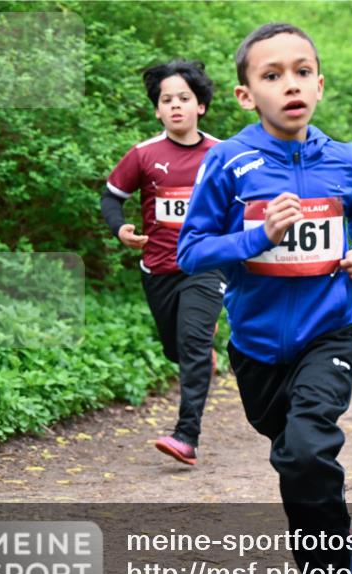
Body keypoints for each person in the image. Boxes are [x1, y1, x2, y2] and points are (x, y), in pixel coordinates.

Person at [177, 23, 352, 574]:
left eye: (301, 71)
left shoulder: (342, 158)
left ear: (319, 84)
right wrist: (254, 238)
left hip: (330, 335)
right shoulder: (229, 162)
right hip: (258, 351)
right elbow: (191, 251)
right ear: (246, 96)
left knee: (305, 452)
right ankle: (333, 548)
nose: (289, 83)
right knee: (297, 464)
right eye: (272, 75)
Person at [101, 59, 224, 467]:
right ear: (157, 110)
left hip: (205, 267)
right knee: (178, 349)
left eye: (184, 99)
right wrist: (119, 228)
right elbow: (111, 197)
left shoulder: (222, 154)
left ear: (200, 106)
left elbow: (246, 205)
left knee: (191, 346)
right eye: (166, 100)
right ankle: (201, 352)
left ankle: (187, 435)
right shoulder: (143, 155)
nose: (175, 106)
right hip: (158, 269)